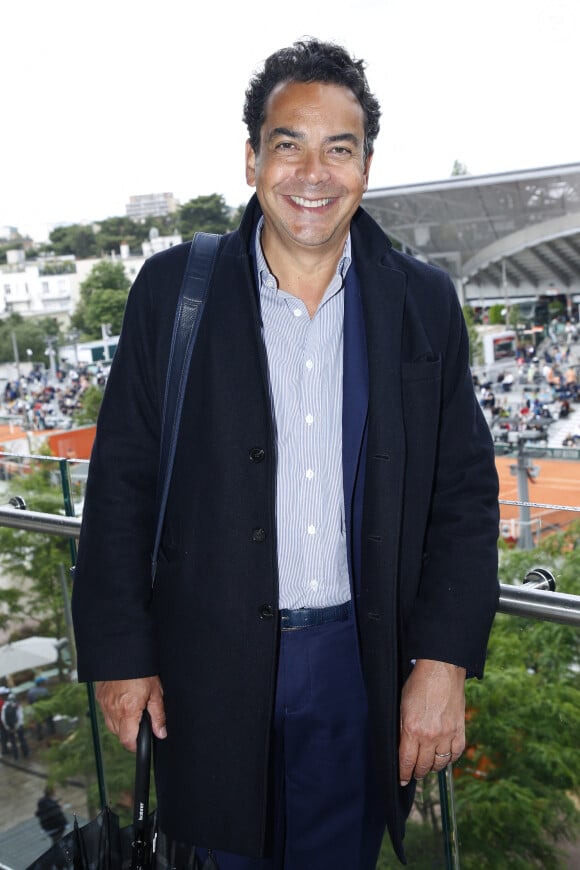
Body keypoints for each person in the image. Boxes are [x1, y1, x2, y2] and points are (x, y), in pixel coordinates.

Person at [71, 38, 499, 868]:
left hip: (359, 663)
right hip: (206, 666)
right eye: (288, 144)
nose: (314, 172)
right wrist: (122, 657)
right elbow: (120, 482)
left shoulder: (423, 302)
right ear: (251, 158)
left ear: (367, 166)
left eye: (340, 148)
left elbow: (463, 495)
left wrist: (442, 664)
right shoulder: (174, 291)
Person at [0, 692, 29, 760]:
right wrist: (19, 725)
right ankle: (26, 753)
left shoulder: (4, 706)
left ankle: (16, 756)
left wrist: (7, 727)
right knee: (22, 739)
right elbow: (20, 716)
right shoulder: (18, 705)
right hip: (19, 726)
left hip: (10, 727)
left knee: (13, 742)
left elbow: (3, 718)